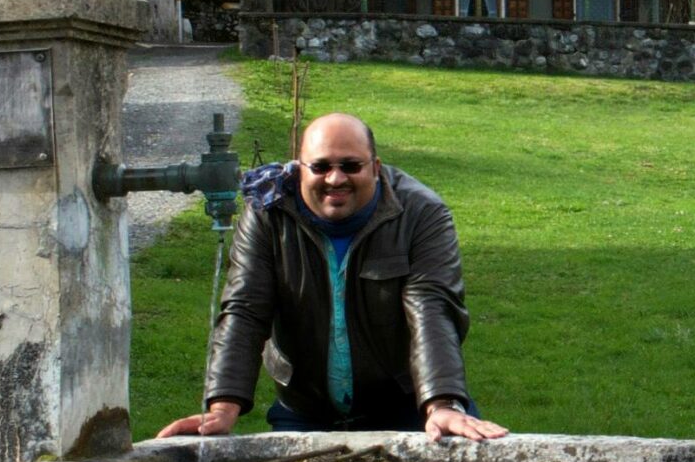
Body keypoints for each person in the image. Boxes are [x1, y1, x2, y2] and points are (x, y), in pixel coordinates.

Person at [158, 112, 507, 443]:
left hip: (408, 406)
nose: (335, 179)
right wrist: (222, 407)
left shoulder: (421, 212)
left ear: (375, 168)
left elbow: (431, 306)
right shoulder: (268, 213)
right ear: (299, 170)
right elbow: (246, 307)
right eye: (321, 166)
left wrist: (442, 403)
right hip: (305, 408)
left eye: (351, 166)